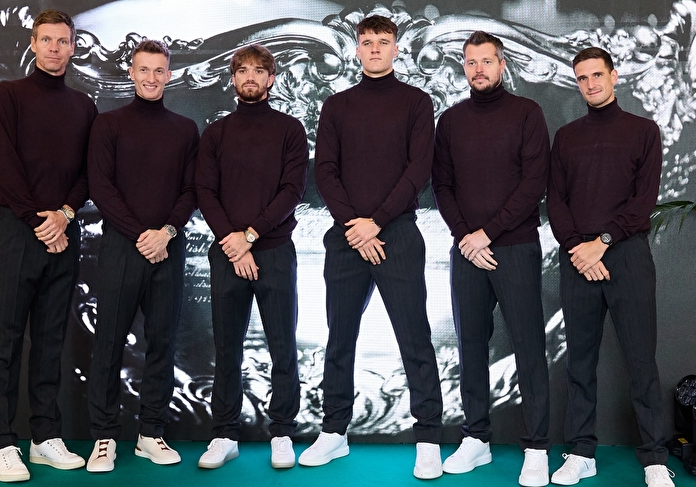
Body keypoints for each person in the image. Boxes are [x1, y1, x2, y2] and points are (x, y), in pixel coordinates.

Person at [297, 14, 444, 480]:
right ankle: (334, 432)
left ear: (396, 48)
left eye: (383, 41)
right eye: (367, 41)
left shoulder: (417, 102)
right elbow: (325, 171)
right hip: (346, 238)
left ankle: (428, 438)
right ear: (356, 49)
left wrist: (375, 222)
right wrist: (354, 225)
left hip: (396, 234)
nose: (375, 48)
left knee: (415, 338)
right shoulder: (336, 105)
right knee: (339, 338)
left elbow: (419, 170)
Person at [547, 47, 675, 487]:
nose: (591, 84)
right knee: (579, 363)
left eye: (597, 75)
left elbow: (643, 202)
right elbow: (556, 201)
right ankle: (581, 452)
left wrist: (601, 244)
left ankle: (654, 457)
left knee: (641, 360)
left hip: (626, 255)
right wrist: (578, 249)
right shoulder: (566, 137)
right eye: (582, 78)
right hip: (577, 259)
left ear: (614, 76)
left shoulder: (643, 131)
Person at [430, 31, 551, 487]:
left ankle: (536, 447)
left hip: (515, 247)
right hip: (466, 251)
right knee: (470, 346)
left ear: (502, 64)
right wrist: (466, 236)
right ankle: (476, 438)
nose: (478, 69)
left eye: (486, 61)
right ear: (464, 67)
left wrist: (487, 233)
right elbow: (441, 185)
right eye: (471, 62)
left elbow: (534, 182)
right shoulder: (451, 121)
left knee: (528, 347)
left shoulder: (527, 113)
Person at [0, 9, 97, 482]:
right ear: (33, 43)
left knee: (51, 339)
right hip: (18, 228)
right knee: (7, 338)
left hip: (62, 231)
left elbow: (89, 173)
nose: (54, 48)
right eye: (46, 39)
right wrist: (40, 221)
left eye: (62, 40)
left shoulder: (84, 106)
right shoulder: (8, 95)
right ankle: (2, 441)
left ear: (73, 47)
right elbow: (2, 165)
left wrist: (64, 216)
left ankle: (44, 436)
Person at [86, 39, 198, 473]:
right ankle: (103, 437)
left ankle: (151, 434)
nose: (151, 77)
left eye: (158, 70)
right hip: (122, 248)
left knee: (162, 342)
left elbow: (191, 190)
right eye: (143, 69)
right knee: (109, 342)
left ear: (169, 75)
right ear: (131, 72)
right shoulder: (108, 124)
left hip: (168, 247)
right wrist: (142, 235)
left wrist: (165, 233)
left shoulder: (185, 129)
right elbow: (101, 187)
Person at [194, 44, 308, 470]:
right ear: (233, 79)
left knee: (282, 346)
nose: (250, 77)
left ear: (271, 79)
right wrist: (233, 241)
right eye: (242, 70)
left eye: (259, 70)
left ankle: (282, 433)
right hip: (227, 254)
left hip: (274, 252)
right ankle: (224, 434)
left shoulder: (290, 130)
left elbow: (292, 190)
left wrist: (250, 236)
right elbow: (205, 191)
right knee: (227, 348)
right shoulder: (216, 133)